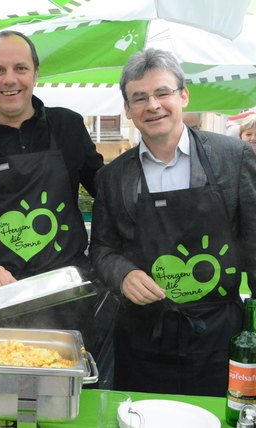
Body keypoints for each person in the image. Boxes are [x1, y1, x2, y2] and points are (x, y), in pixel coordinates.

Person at [89, 48, 256, 397]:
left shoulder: (233, 157)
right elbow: (102, 248)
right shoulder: (112, 177)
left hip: (219, 336)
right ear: (128, 109)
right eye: (140, 97)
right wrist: (123, 274)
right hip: (143, 338)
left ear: (183, 95)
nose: (153, 105)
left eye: (162, 93)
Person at [0, 31, 102, 305]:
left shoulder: (68, 126)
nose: (10, 79)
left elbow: (106, 191)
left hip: (66, 293)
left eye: (21, 68)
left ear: (36, 74)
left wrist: (105, 258)